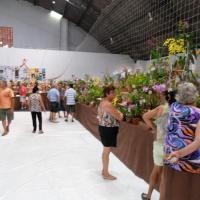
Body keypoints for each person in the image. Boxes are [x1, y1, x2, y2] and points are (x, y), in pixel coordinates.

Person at [141, 91, 176, 200]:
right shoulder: (179, 111)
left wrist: (155, 129)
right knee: (164, 176)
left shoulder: (160, 108)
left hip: (159, 143)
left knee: (156, 170)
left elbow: (145, 116)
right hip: (171, 146)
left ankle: (149, 195)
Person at [164, 82, 200, 174]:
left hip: (169, 158)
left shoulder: (173, 107)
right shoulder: (198, 114)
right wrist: (179, 154)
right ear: (195, 95)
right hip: (188, 164)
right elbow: (197, 142)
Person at [97, 86, 123, 180]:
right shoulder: (107, 104)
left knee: (106, 149)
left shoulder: (103, 102)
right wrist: (121, 114)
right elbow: (119, 117)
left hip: (104, 127)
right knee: (107, 150)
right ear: (107, 93)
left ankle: (104, 170)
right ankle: (105, 173)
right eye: (112, 93)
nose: (114, 95)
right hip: (108, 129)